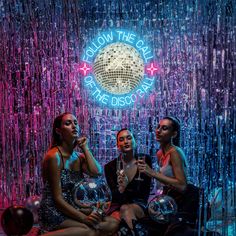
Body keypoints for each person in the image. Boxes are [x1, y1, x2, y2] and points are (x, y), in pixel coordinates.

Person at [38, 112, 118, 236]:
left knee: (112, 223)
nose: (74, 126)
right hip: (54, 210)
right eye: (68, 123)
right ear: (59, 131)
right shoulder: (54, 156)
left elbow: (96, 172)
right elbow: (57, 199)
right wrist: (84, 218)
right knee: (89, 230)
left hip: (73, 207)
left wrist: (85, 148)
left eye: (75, 123)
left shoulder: (78, 157)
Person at [137, 116, 200, 235]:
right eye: (158, 127)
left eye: (164, 128)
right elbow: (165, 182)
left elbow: (182, 185)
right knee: (143, 225)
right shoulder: (160, 153)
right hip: (170, 198)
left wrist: (152, 173)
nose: (158, 130)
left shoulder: (175, 152)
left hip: (185, 199)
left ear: (174, 134)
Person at [104, 128, 152, 235]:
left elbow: (144, 193)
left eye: (129, 138)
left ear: (135, 141)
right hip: (117, 204)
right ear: (117, 145)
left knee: (125, 209)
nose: (126, 141)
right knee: (118, 215)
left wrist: (125, 188)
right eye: (121, 139)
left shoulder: (144, 160)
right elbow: (114, 196)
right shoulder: (110, 167)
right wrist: (122, 188)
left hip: (139, 203)